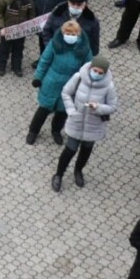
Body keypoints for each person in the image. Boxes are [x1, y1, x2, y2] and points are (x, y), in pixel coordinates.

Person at [51, 54, 116, 191]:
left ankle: (78, 171)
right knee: (70, 150)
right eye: (95, 70)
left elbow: (112, 107)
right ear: (91, 67)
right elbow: (66, 93)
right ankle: (58, 175)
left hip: (93, 126)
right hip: (76, 121)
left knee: (86, 151)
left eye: (100, 73)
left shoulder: (109, 87)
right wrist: (70, 110)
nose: (97, 74)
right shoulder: (78, 77)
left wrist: (98, 108)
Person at [29, 19, 92, 145]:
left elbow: (88, 68)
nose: (70, 36)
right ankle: (33, 131)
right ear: (63, 33)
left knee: (62, 112)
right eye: (68, 33)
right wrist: (38, 77)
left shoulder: (84, 49)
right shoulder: (55, 44)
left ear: (78, 34)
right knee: (43, 109)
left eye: (73, 34)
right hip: (52, 82)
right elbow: (44, 61)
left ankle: (56, 131)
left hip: (71, 85)